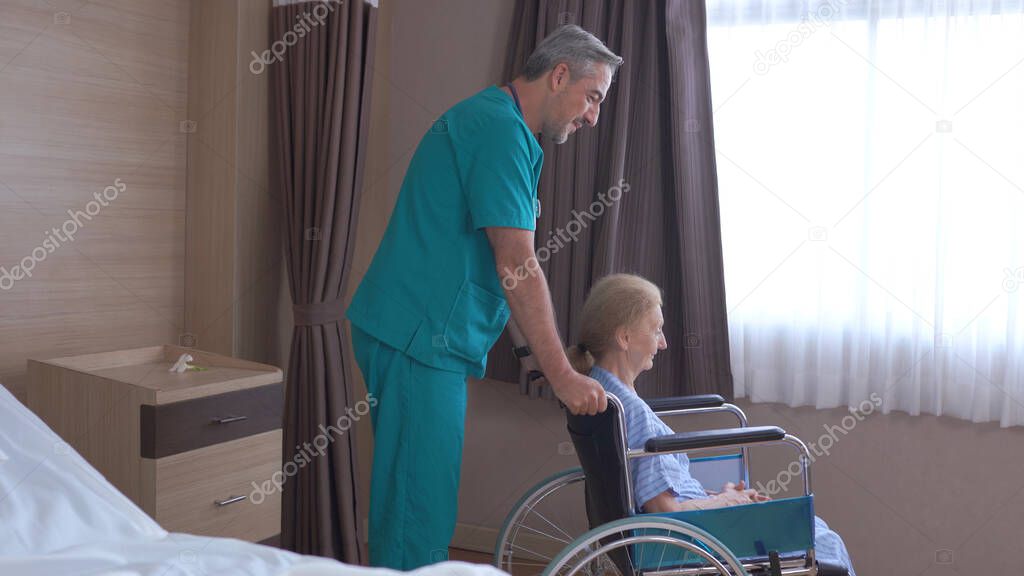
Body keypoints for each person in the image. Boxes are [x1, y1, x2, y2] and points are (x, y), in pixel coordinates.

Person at [345, 25, 623, 569]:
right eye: (593, 97)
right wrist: (563, 377)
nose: (594, 116)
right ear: (560, 74)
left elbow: (497, 263)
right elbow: (517, 263)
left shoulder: (503, 127)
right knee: (414, 510)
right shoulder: (497, 131)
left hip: (424, 338)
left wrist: (537, 356)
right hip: (416, 338)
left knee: (422, 496)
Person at [565, 273, 857, 574]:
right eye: (656, 330)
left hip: (685, 525)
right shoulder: (632, 412)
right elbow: (665, 513)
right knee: (822, 539)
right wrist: (726, 502)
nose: (663, 343)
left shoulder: (601, 389)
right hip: (689, 539)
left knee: (816, 532)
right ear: (624, 338)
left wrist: (718, 496)